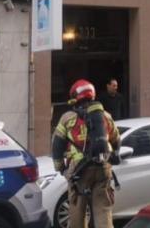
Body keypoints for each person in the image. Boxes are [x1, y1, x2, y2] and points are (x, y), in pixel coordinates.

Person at [52, 79, 121, 228]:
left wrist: (61, 169)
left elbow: (57, 146)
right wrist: (114, 155)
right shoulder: (106, 116)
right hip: (103, 166)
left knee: (77, 209)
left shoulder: (67, 118)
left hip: (79, 170)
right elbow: (116, 140)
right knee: (103, 210)